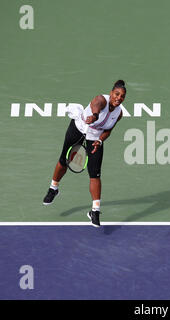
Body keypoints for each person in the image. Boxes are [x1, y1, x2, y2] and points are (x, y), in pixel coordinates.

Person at [43, 80, 126, 227]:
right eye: (116, 94)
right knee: (64, 160)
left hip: (95, 138)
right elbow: (96, 107)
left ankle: (95, 211)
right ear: (111, 92)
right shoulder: (101, 99)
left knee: (95, 173)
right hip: (78, 129)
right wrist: (94, 116)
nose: (118, 98)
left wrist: (100, 141)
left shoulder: (119, 114)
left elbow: (108, 131)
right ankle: (53, 189)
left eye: (122, 96)